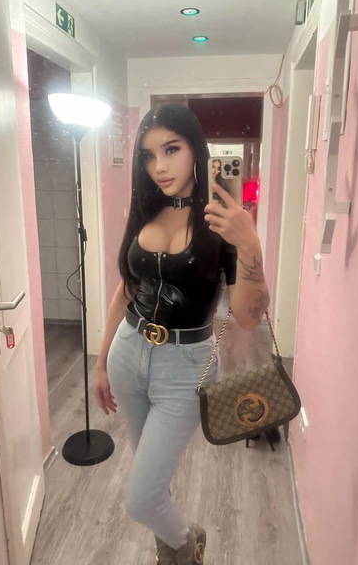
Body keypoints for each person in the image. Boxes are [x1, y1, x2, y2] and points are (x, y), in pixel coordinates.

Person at [94, 104, 269, 565]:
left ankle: (187, 547)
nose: (160, 166)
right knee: (153, 479)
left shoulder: (221, 223)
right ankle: (168, 552)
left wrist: (249, 243)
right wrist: (101, 360)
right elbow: (126, 290)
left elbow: (249, 318)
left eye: (171, 149)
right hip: (128, 351)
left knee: (141, 498)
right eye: (149, 155)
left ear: (196, 149)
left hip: (185, 368)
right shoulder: (147, 209)